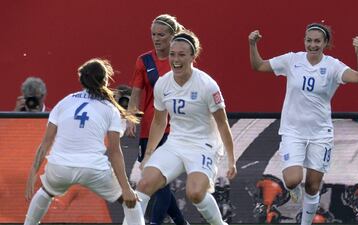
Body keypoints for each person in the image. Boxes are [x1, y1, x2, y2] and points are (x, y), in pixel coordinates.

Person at [248, 23, 358, 225]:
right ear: (304, 40)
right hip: (293, 131)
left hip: (320, 133)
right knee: (292, 180)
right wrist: (252, 45)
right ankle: (293, 191)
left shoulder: (333, 66)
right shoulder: (292, 60)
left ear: (325, 43)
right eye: (309, 40)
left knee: (313, 186)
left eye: (317, 41)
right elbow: (258, 65)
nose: (312, 45)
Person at [23, 58, 144, 225]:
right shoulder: (110, 108)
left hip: (60, 168)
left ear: (81, 80)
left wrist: (32, 173)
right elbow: (115, 151)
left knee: (46, 192)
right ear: (106, 80)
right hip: (94, 169)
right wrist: (126, 188)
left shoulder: (64, 103)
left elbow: (45, 144)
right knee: (131, 203)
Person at [135, 30, 237, 225]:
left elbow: (222, 124)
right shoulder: (163, 84)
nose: (176, 59)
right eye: (172, 54)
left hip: (203, 144)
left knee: (195, 193)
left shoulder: (207, 85)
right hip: (175, 143)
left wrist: (231, 160)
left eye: (182, 55)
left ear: (193, 56)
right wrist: (149, 153)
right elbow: (159, 121)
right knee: (144, 184)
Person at [124, 14, 188, 225]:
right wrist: (131, 117)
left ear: (172, 35)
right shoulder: (144, 61)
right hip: (150, 128)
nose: (156, 38)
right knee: (158, 181)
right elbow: (136, 91)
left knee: (160, 178)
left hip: (174, 128)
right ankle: (181, 222)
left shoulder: (178, 59)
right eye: (153, 34)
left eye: (161, 34)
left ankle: (155, 222)